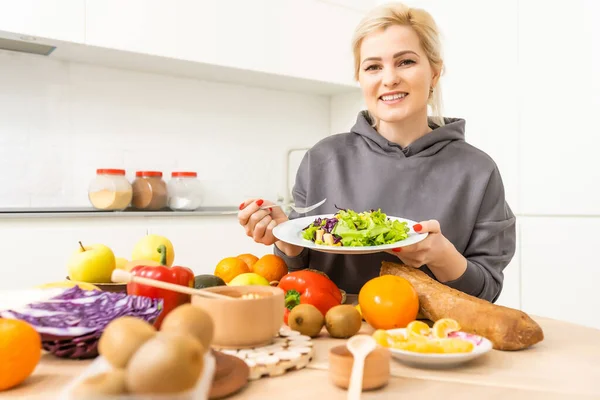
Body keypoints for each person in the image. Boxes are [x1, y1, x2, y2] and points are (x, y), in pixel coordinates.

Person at [238, 2, 515, 303]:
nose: (389, 79)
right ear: (360, 78)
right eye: (373, 67)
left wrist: (441, 255)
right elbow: (296, 275)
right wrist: (286, 240)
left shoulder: (477, 171)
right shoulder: (323, 159)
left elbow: (486, 293)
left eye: (406, 62)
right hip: (332, 331)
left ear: (434, 72)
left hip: (430, 342)